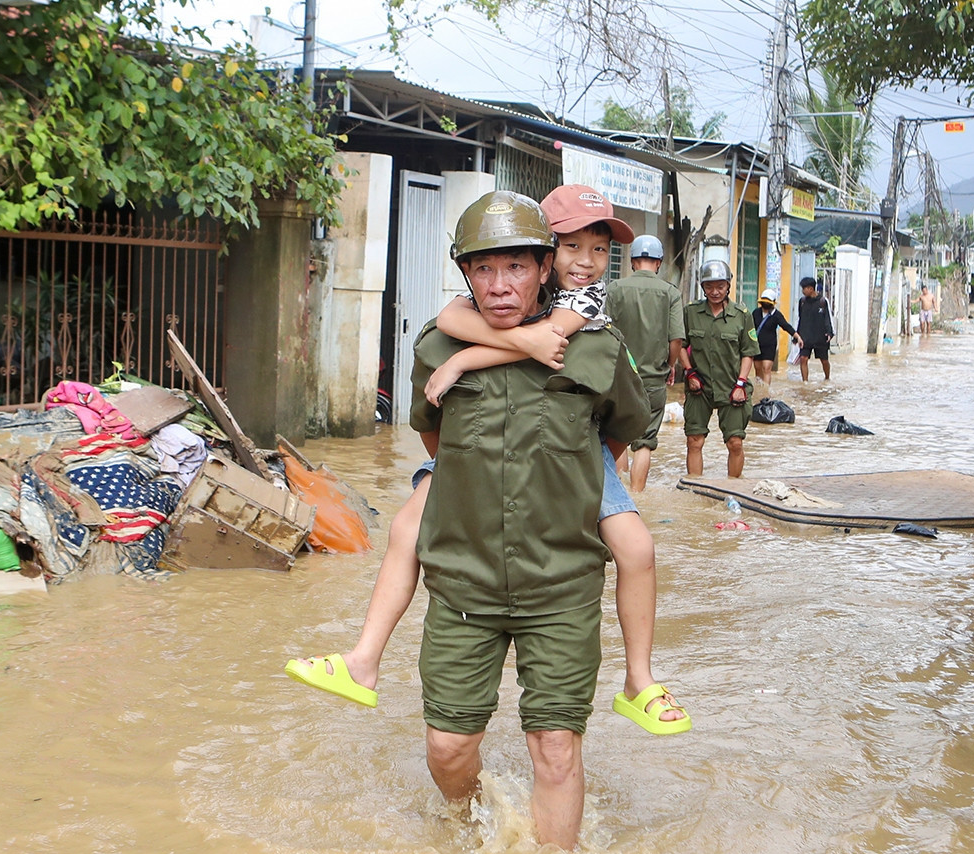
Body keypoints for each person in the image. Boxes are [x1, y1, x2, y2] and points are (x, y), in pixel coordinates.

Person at [287, 186, 689, 743]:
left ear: (538, 265)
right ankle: (363, 658)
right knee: (406, 528)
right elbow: (439, 389)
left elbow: (613, 420)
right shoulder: (458, 320)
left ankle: (639, 678)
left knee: (637, 548)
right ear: (550, 249)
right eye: (573, 246)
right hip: (470, 456)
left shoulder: (591, 310)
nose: (586, 263)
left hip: (574, 454)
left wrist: (472, 364)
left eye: (598, 251)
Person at [605, 233, 685, 494]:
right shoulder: (670, 293)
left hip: (617, 377)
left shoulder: (615, 289)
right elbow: (676, 339)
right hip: (653, 380)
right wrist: (670, 366)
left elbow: (603, 332)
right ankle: (638, 498)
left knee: (618, 435)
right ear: (659, 263)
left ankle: (619, 495)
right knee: (645, 442)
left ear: (632, 260)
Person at [681, 260, 757, 479]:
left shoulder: (742, 315)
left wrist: (741, 384)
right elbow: (680, 345)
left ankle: (733, 489)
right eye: (709, 286)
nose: (714, 292)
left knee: (735, 442)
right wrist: (689, 372)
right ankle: (695, 489)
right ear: (703, 287)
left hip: (732, 386)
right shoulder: (690, 313)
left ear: (728, 286)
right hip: (699, 386)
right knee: (694, 441)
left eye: (720, 286)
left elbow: (748, 352)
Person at [751, 288, 797, 394]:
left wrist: (796, 336)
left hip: (769, 346)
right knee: (757, 368)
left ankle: (766, 392)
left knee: (766, 368)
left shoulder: (776, 315)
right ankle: (759, 390)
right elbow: (749, 327)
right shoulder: (756, 313)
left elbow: (785, 326)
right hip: (757, 345)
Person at [793, 276, 834, 381]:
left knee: (824, 360)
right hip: (805, 336)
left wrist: (829, 333)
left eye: (804, 289)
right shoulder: (802, 302)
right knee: (803, 359)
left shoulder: (822, 302)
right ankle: (805, 382)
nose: (802, 291)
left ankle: (827, 378)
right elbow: (801, 319)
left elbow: (827, 318)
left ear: (811, 288)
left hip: (820, 337)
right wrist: (796, 335)